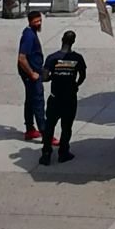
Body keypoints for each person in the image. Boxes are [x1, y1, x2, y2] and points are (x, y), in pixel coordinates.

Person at [37, 30, 86, 166]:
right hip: (70, 98)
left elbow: (45, 77)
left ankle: (46, 154)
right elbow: (82, 76)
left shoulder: (52, 58)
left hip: (55, 98)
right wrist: (75, 84)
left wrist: (54, 76)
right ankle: (63, 153)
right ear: (73, 42)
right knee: (67, 127)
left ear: (62, 39)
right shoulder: (78, 58)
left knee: (50, 127)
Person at [16, 9, 45, 142]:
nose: (38, 23)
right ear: (30, 21)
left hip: (32, 73)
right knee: (38, 102)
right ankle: (46, 133)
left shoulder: (31, 33)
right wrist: (32, 73)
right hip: (31, 74)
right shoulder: (29, 36)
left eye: (40, 20)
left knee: (30, 101)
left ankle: (30, 129)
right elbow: (22, 58)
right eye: (36, 21)